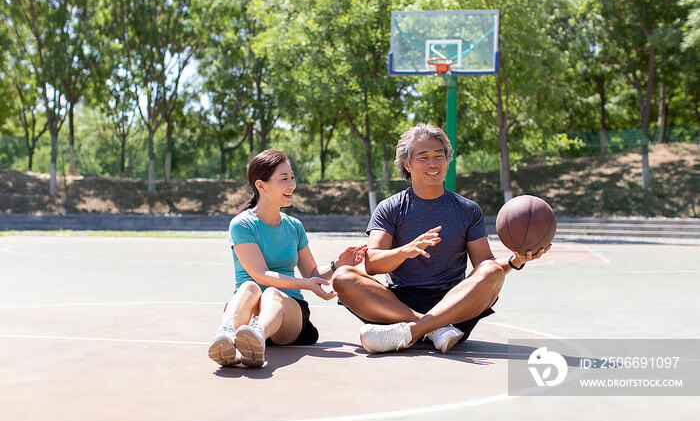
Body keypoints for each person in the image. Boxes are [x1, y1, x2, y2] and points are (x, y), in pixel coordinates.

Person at [331, 123, 550, 354]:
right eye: (423, 157)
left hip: (454, 304)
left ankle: (411, 331)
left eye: (439, 156)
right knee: (343, 277)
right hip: (397, 305)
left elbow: (484, 267)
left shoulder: (468, 210)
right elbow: (373, 264)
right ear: (407, 164)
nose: (433, 163)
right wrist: (406, 250)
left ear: (447, 161)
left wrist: (516, 261)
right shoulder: (390, 208)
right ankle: (434, 329)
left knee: (493, 271)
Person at [208, 150, 367, 368]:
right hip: (249, 309)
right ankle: (226, 333)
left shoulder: (294, 226)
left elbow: (311, 274)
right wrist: (307, 285)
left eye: (292, 177)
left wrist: (337, 265)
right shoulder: (242, 224)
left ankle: (256, 336)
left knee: (273, 293)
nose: (292, 184)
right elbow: (260, 275)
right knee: (249, 287)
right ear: (261, 186)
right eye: (284, 179)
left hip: (288, 314)